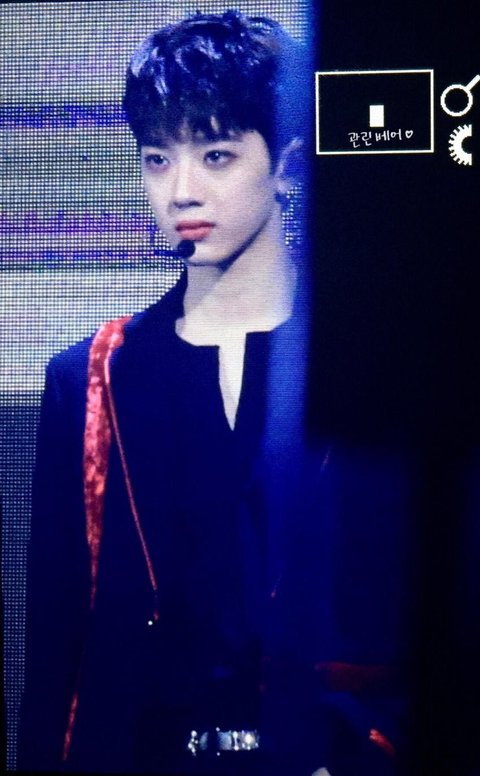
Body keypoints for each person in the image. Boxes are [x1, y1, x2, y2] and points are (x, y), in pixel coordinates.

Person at [18, 10, 414, 775]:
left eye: (217, 155)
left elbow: (427, 618)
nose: (181, 191)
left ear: (285, 164)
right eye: (158, 159)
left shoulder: (370, 362)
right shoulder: (90, 379)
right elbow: (58, 646)